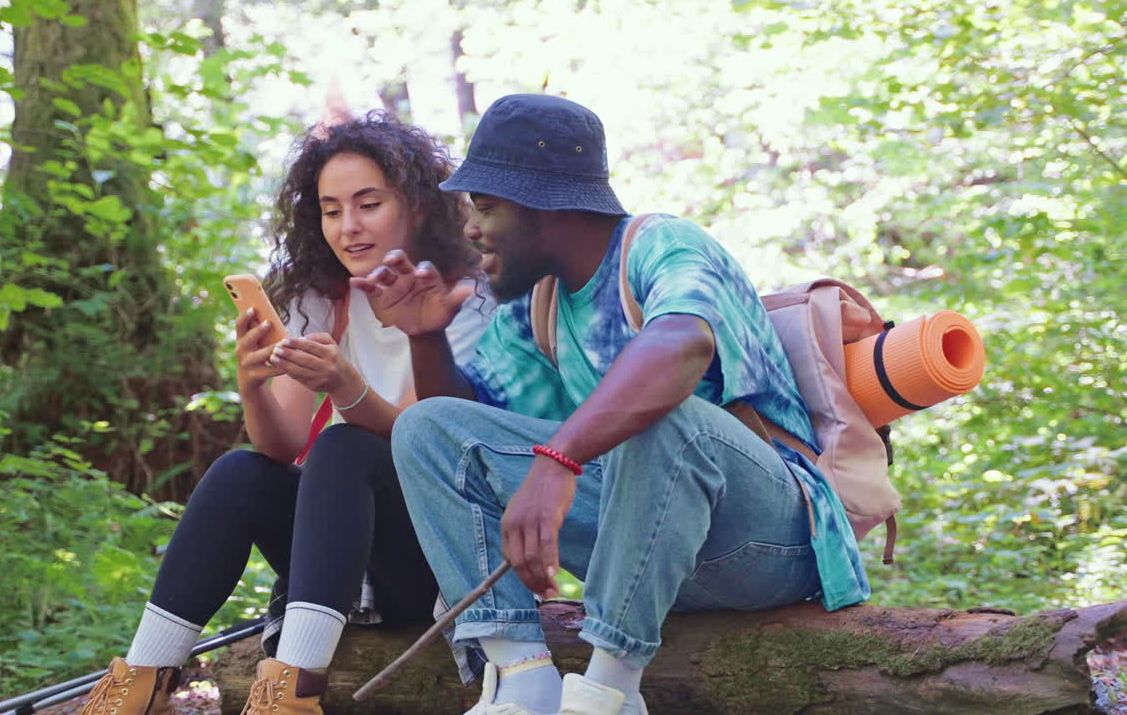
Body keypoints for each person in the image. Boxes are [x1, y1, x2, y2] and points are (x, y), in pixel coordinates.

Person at [353, 94, 870, 715]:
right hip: (645, 555)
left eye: (484, 207)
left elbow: (682, 343)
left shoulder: (662, 246)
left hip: (766, 545)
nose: (470, 228)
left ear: (544, 205)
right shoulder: (537, 306)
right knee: (425, 426)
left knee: (666, 415)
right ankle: (522, 682)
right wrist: (424, 336)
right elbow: (463, 447)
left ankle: (608, 693)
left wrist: (558, 459)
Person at [78, 111, 491, 715]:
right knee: (240, 472)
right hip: (343, 552)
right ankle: (141, 682)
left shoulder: (462, 297)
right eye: (330, 209)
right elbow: (281, 445)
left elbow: (429, 443)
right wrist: (253, 383)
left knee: (345, 446)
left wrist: (347, 391)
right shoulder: (326, 299)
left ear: (419, 206)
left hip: (434, 556)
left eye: (368, 204)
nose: (348, 227)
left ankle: (290, 693)